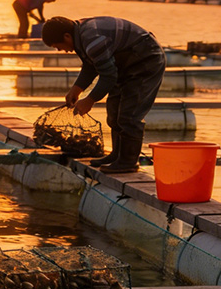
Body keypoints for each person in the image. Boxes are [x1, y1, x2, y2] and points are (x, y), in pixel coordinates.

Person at [42, 16, 166, 174]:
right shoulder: (81, 36)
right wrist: (77, 89)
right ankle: (117, 155)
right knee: (114, 113)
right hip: (123, 65)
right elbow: (91, 65)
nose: (61, 50)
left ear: (67, 36)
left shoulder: (92, 38)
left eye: (58, 46)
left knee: (129, 115)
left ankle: (128, 161)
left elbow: (108, 77)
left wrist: (90, 100)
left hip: (146, 60)